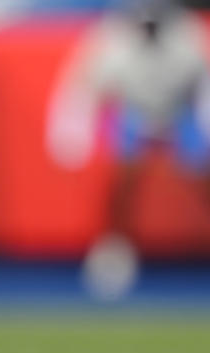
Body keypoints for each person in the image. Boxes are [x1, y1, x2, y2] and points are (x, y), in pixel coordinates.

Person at [46, 0, 210, 299]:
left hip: (178, 113)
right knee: (122, 181)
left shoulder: (189, 35)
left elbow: (204, 87)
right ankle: (115, 252)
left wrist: (203, 129)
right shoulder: (108, 38)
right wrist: (70, 133)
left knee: (203, 179)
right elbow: (81, 88)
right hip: (133, 113)